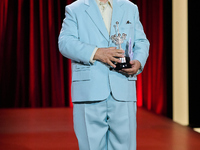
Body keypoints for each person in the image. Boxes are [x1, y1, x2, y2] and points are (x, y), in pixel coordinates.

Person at [58, 0, 149, 149]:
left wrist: (138, 61)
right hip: (89, 90)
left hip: (123, 86)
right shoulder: (75, 9)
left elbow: (141, 42)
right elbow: (65, 42)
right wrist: (96, 53)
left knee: (125, 146)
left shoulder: (130, 8)